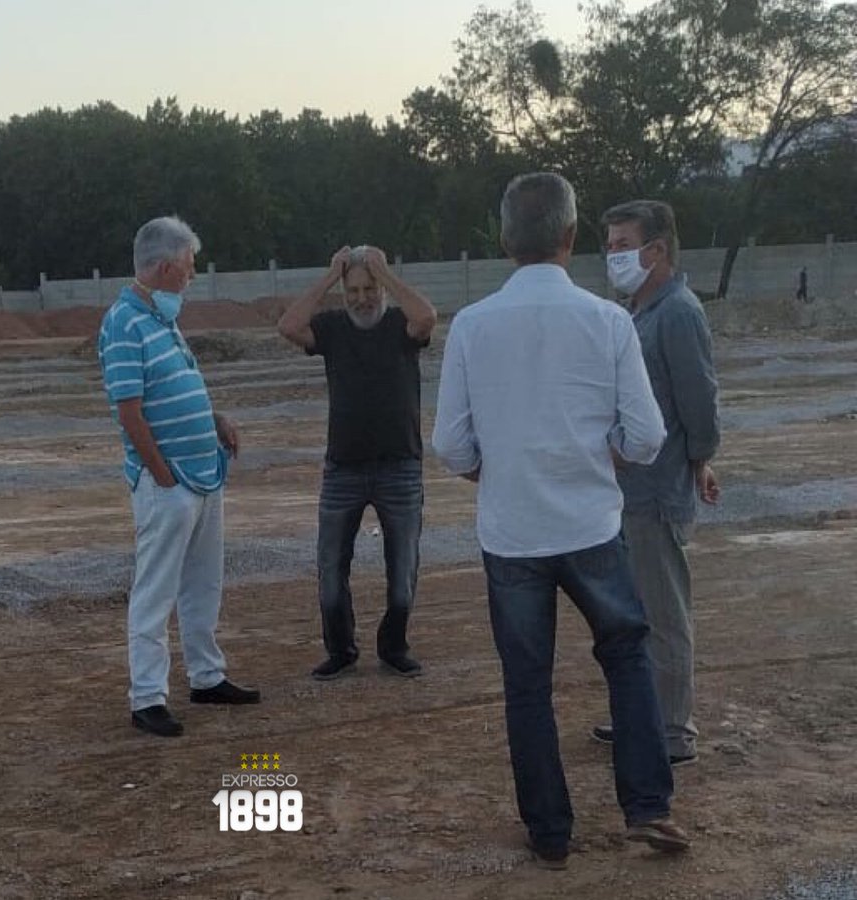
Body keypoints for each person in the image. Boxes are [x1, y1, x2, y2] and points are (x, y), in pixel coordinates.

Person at [432, 173, 691, 869]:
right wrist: (604, 456)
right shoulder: (608, 321)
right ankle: (648, 805)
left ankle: (550, 832)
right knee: (627, 658)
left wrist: (496, 471)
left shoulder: (472, 326)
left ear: (503, 239)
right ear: (571, 237)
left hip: (512, 533)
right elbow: (646, 435)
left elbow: (451, 444)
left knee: (527, 685)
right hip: (591, 527)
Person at [97, 215, 260, 738]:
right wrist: (163, 477)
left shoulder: (161, 319)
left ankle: (207, 676)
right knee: (156, 590)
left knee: (203, 582)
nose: (191, 278)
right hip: (170, 484)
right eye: (188, 268)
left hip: (202, 475)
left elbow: (173, 389)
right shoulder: (124, 323)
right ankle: (147, 696)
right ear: (166, 267)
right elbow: (129, 412)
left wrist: (213, 420)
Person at [597, 199, 722, 766]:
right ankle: (642, 716)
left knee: (664, 615)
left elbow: (699, 400)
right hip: (630, 492)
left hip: (656, 492)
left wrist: (699, 459)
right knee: (636, 614)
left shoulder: (677, 313)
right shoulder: (639, 312)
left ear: (657, 250)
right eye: (610, 246)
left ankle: (672, 732)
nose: (613, 256)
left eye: (623, 246)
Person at [277, 245, 437, 680]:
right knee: (331, 571)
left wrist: (386, 274)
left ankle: (394, 647)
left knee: (403, 572)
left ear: (381, 288)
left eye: (370, 289)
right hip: (342, 470)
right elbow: (289, 326)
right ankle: (341, 650)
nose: (362, 298)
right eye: (354, 290)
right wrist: (331, 275)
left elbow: (427, 317)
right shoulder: (331, 328)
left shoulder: (400, 326)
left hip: (400, 467)